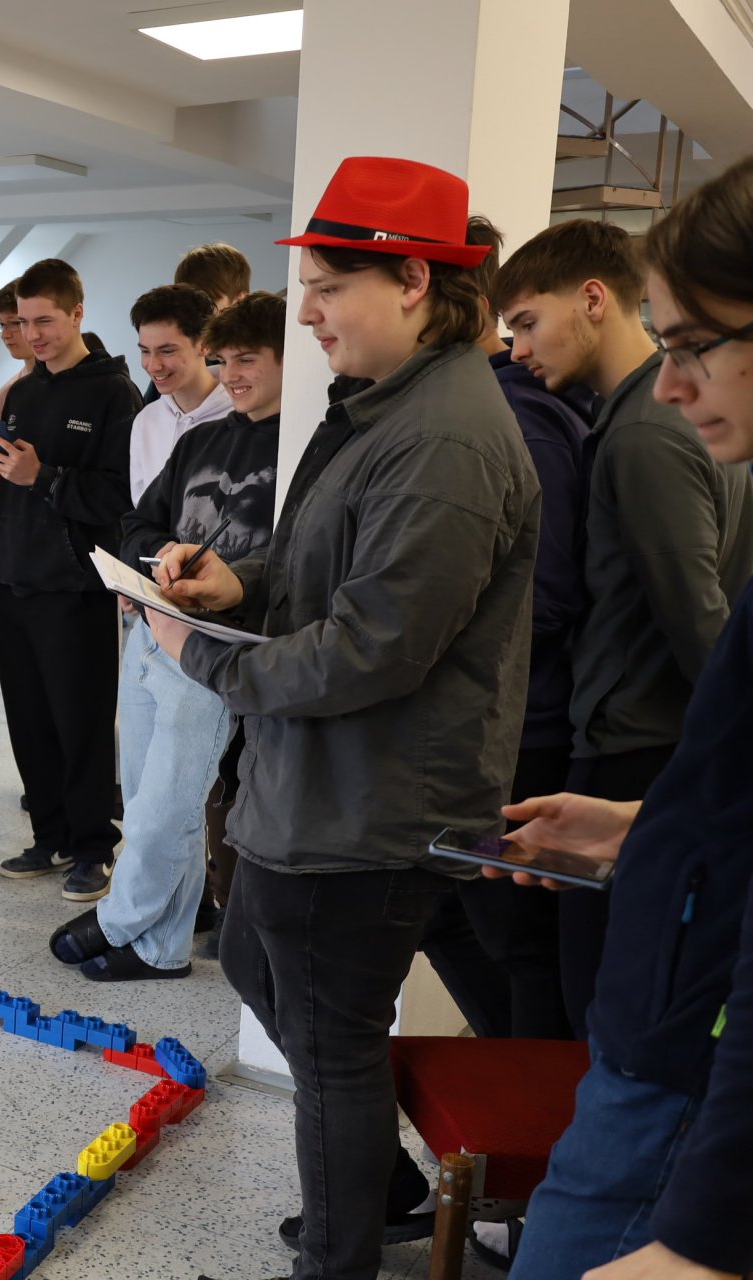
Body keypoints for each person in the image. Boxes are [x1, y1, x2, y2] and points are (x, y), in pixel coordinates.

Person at [156, 157, 540, 1280]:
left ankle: (342, 1257)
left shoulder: (446, 438)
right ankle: (384, 1192)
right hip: (316, 785)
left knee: (331, 1050)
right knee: (255, 965)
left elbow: (376, 646)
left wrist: (199, 656)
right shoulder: (386, 405)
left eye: (330, 288)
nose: (308, 314)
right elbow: (325, 567)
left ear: (414, 280)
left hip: (370, 803)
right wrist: (237, 584)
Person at [487, 153, 753, 1280]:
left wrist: (705, 1233)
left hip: (681, 1052)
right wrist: (652, 825)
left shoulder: (642, 432)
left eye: (696, 345)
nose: (677, 382)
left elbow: (698, 618)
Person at [49, 292, 284, 979]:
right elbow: (139, 522)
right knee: (144, 791)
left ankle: (117, 920)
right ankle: (161, 948)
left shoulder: (305, 446)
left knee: (170, 803)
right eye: (224, 360)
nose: (232, 374)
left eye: (248, 360)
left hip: (217, 646)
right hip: (154, 625)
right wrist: (158, 560)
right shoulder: (199, 440)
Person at [417, 216, 595, 1043]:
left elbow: (546, 595)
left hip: (518, 735)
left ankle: (533, 1111)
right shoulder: (470, 408)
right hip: (490, 728)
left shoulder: (516, 417)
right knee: (455, 917)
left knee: (517, 942)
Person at [0, 258, 144, 903]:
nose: (33, 334)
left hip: (76, 588)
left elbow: (122, 496)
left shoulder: (114, 395)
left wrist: (43, 477)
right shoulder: (24, 393)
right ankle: (48, 836)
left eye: (45, 321)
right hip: (13, 582)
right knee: (29, 722)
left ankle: (92, 847)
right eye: (22, 322)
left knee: (81, 723)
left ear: (78, 313)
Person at [127, 284, 231, 506]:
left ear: (204, 344)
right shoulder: (145, 421)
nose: (153, 365)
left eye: (167, 351)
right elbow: (141, 510)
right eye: (145, 351)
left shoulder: (239, 416)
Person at [139, 242, 253, 407]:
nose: (195, 315)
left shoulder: (262, 361)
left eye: (210, 304)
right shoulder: (175, 367)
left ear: (240, 300)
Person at [0, 278, 37, 420]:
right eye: (2, 325)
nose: (5, 335)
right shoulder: (1, 399)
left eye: (14, 323)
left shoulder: (75, 384)